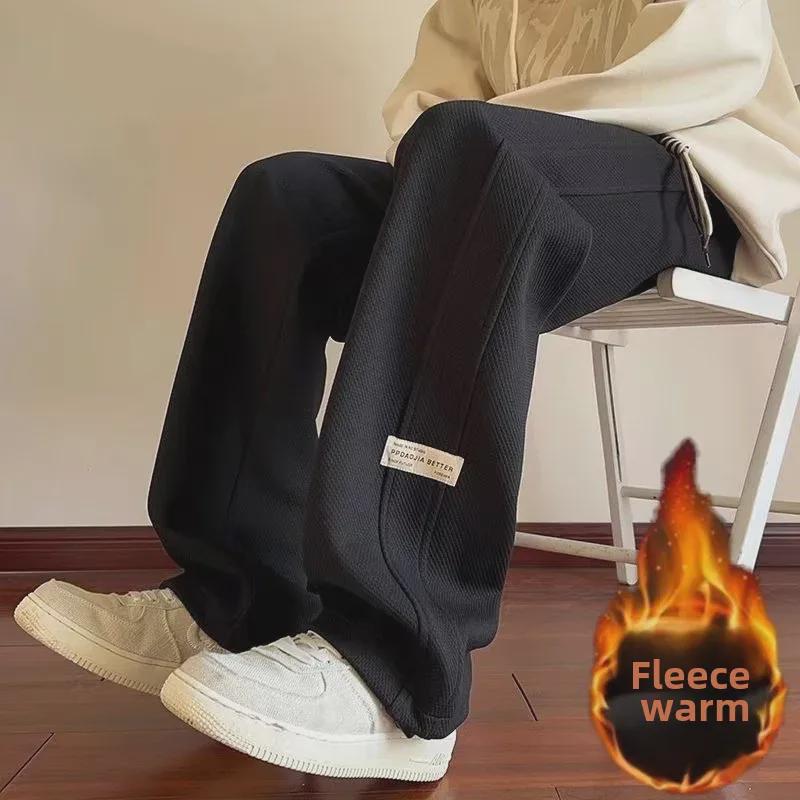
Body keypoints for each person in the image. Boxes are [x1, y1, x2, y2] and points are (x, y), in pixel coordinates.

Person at [14, 0, 799, 783]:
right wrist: (454, 162)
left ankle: (396, 670)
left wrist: (476, 149)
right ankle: (237, 599)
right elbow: (433, 97)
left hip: (686, 175)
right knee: (288, 196)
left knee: (478, 149)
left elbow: (699, 64)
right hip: (500, 174)